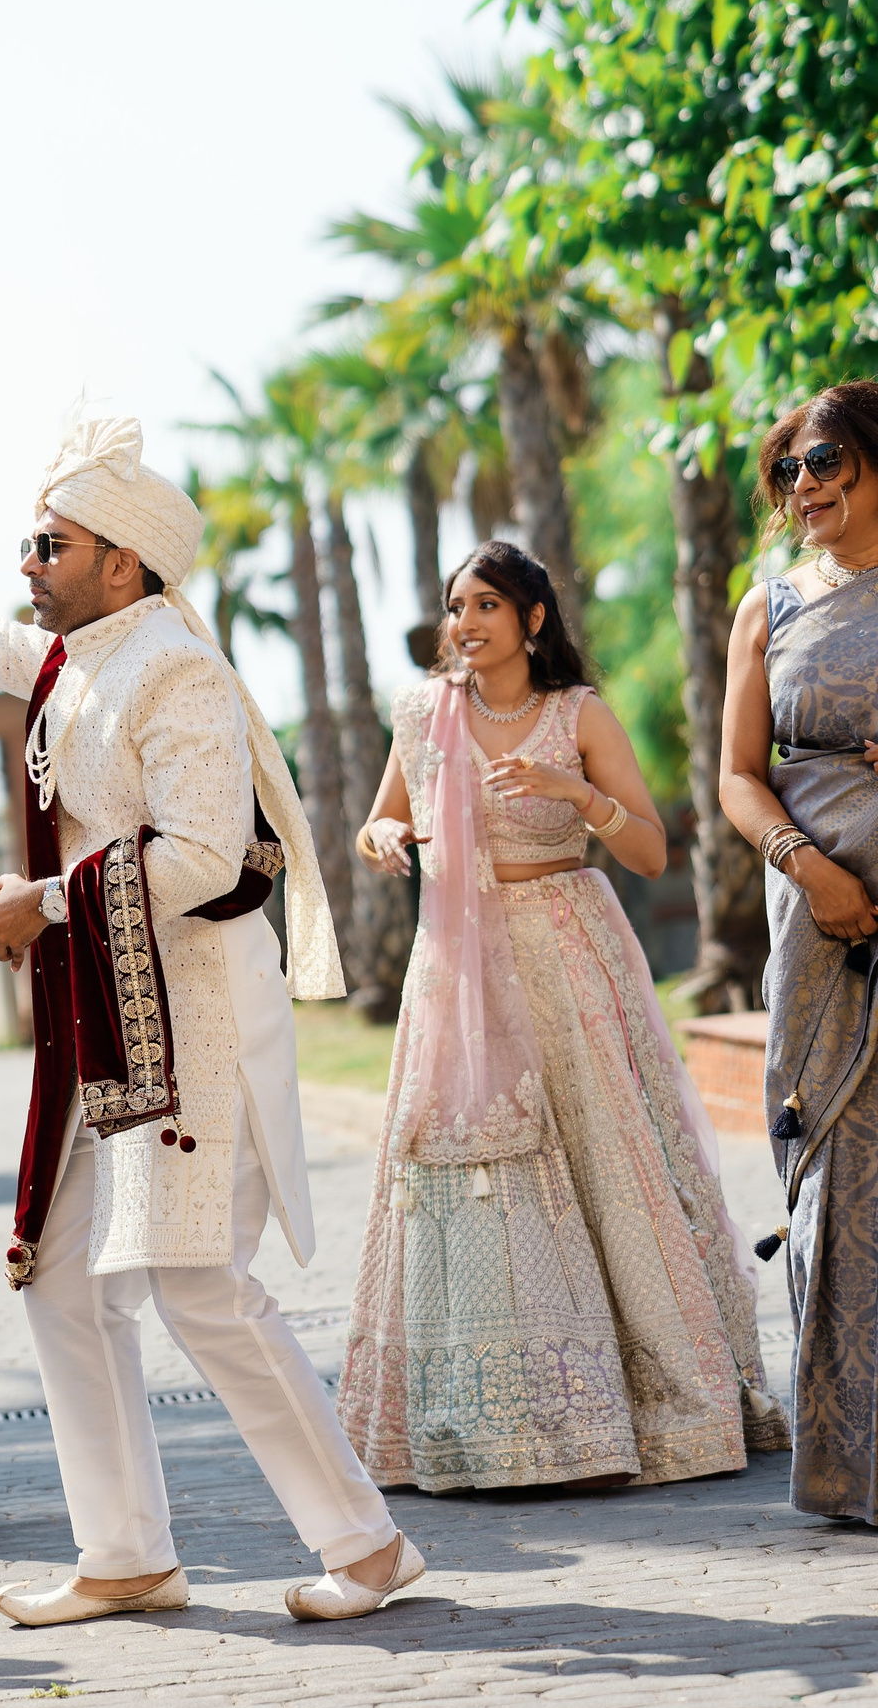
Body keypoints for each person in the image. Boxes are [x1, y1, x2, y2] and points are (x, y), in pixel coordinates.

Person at [0, 415, 421, 1626]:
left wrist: (40, 901)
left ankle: (369, 1543)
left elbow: (202, 854)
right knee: (64, 1284)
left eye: (51, 543)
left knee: (200, 1283)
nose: (27, 562)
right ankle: (126, 1552)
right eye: (29, 540)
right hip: (106, 1014)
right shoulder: (76, 660)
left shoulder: (175, 670)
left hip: (192, 1013)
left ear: (124, 562)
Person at [343, 541, 784, 1494]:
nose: (465, 623)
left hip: (569, 954)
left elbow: (653, 852)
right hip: (459, 971)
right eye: (456, 606)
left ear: (533, 618)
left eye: (486, 605)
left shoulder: (577, 714)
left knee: (604, 1159)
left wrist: (576, 794)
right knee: (476, 1173)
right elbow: (379, 818)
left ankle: (656, 1395)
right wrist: (383, 836)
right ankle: (488, 1418)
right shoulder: (424, 713)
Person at [720, 381, 878, 1522]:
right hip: (816, 920)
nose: (804, 485)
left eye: (824, 460)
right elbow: (737, 773)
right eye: (789, 469)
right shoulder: (766, 606)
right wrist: (807, 867)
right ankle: (849, 1463)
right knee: (830, 1166)